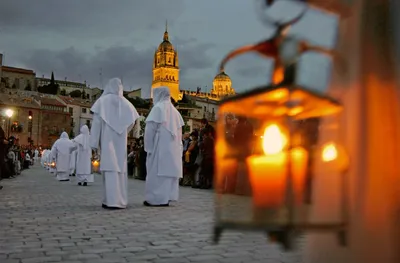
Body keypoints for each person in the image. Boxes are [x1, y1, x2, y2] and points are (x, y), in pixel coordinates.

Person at [90, 78, 139, 210]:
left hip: (107, 141)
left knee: (110, 170)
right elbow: (133, 123)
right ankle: (121, 200)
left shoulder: (102, 102)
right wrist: (124, 131)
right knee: (120, 171)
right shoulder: (127, 105)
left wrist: (94, 143)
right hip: (120, 142)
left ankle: (110, 200)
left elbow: (96, 124)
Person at [144, 87, 184, 207]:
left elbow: (149, 130)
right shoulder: (176, 113)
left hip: (159, 147)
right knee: (168, 173)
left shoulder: (157, 108)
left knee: (156, 173)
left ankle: (155, 199)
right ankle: (166, 197)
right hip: (173, 149)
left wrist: (148, 148)